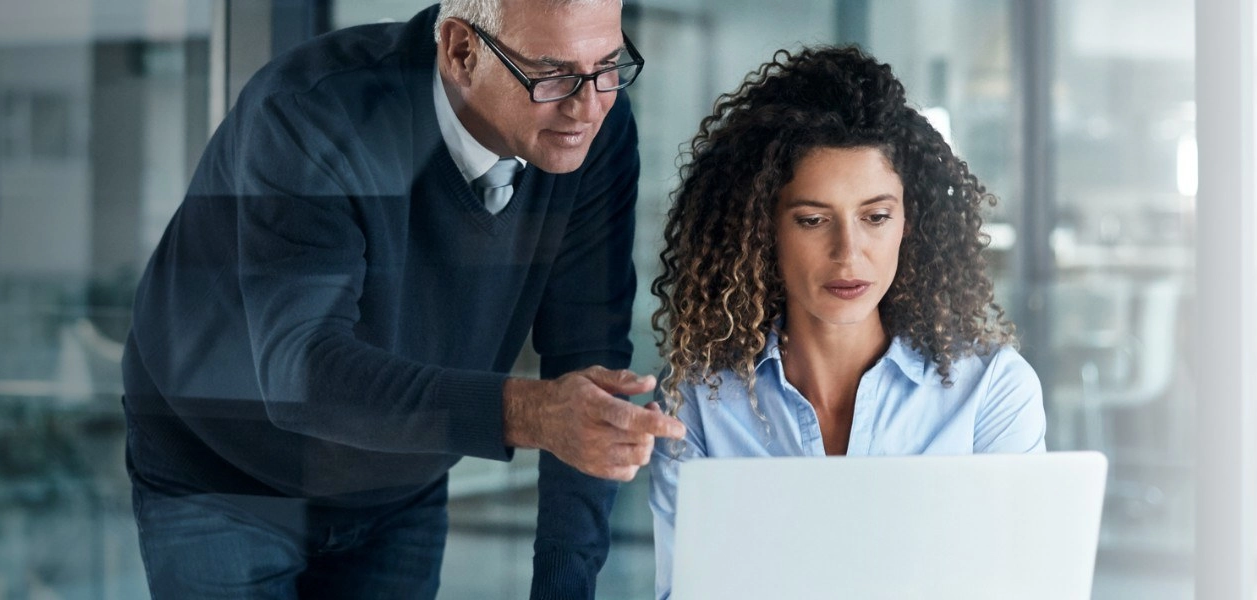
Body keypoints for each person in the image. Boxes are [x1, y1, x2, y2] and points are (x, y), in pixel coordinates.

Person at [120, 0, 685, 598]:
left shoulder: (593, 126)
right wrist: (530, 414)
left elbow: (587, 359)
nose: (588, 105)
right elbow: (300, 374)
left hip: (401, 473)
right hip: (225, 469)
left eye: (608, 65)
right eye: (554, 74)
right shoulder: (312, 111)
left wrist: (563, 585)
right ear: (462, 51)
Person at [646, 46, 1048, 598]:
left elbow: (1020, 586)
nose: (848, 254)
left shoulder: (991, 391)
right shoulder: (699, 403)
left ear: (909, 221)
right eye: (813, 220)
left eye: (876, 217)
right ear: (764, 228)